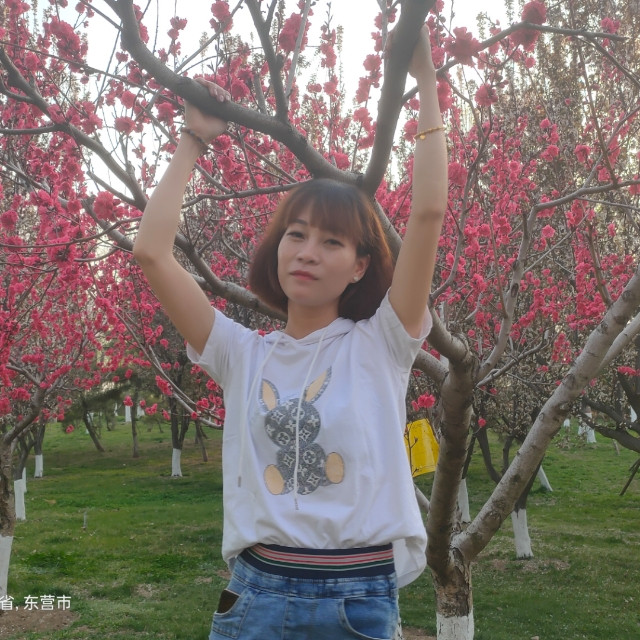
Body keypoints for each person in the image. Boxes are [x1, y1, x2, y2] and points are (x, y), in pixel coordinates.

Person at [133, 23, 447, 640]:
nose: (306, 251)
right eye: (295, 235)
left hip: (358, 601)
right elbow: (151, 252)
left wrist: (427, 83)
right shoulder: (240, 354)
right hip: (257, 595)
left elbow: (429, 213)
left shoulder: (383, 343)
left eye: (331, 242)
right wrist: (194, 139)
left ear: (360, 266)